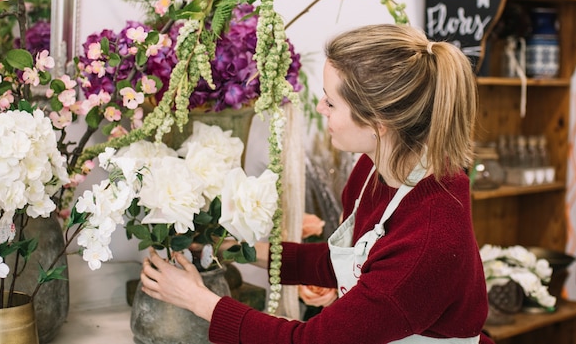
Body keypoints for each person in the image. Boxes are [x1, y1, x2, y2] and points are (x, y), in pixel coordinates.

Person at [140, 23, 494, 344]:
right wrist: (237, 250)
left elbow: (311, 341)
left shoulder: (431, 236)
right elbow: (345, 264)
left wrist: (199, 300)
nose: (321, 108)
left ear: (377, 122)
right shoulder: (378, 170)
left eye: (331, 101)